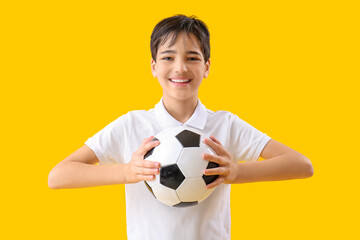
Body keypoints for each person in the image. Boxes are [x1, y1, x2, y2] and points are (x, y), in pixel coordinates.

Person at [48, 14, 314, 240]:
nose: (180, 68)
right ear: (153, 67)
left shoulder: (225, 124)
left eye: (192, 58)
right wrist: (127, 171)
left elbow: (302, 165)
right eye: (167, 57)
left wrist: (236, 172)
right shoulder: (131, 125)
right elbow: (58, 176)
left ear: (207, 66)